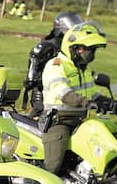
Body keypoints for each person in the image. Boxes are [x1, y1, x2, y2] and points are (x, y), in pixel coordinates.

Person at [40, 20, 109, 173]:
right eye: (88, 49)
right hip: (59, 122)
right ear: (74, 48)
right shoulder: (56, 66)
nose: (91, 54)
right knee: (52, 167)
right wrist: (87, 103)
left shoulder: (83, 70)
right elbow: (64, 94)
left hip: (79, 121)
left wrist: (112, 103)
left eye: (93, 50)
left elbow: (93, 94)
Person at [23, 12, 83, 115]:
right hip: (44, 96)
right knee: (41, 124)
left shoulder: (72, 48)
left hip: (67, 96)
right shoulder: (47, 46)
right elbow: (31, 78)